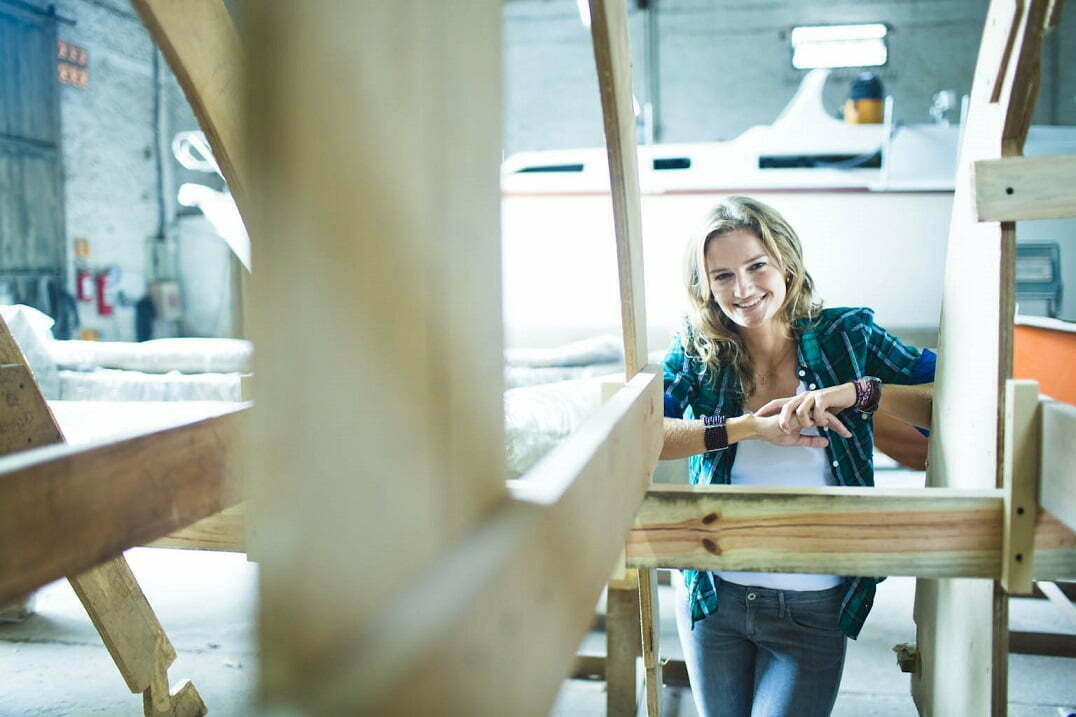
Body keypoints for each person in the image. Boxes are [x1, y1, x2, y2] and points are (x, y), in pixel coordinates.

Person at [661, 196, 935, 717]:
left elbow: (951, 399)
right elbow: (649, 431)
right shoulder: (698, 349)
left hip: (815, 602)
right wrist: (749, 428)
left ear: (785, 261)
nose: (742, 289)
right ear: (705, 286)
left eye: (756, 266)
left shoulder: (845, 335)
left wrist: (859, 393)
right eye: (722, 276)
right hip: (712, 595)